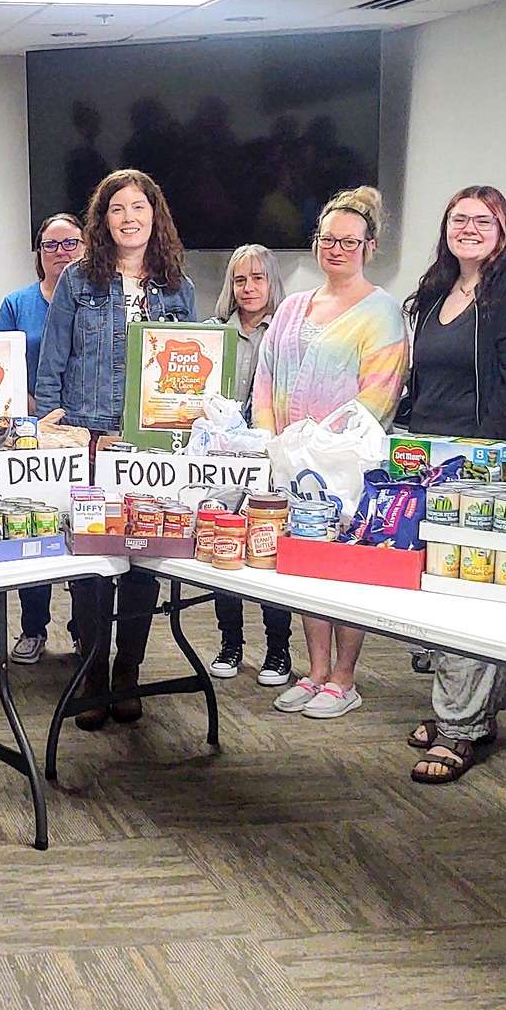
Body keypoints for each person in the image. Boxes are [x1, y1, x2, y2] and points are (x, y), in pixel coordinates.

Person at [397, 187, 506, 782]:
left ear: (503, 227)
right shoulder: (439, 288)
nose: (467, 227)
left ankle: (461, 727)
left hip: (481, 468)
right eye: (457, 218)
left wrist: (482, 459)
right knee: (439, 592)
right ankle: (465, 712)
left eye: (481, 219)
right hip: (424, 461)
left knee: (468, 597)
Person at [35, 169, 197, 731]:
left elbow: (185, 368)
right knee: (92, 559)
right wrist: (54, 428)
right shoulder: (79, 279)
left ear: (157, 216)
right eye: (117, 209)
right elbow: (52, 364)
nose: (130, 218)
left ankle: (128, 673)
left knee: (142, 559)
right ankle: (92, 675)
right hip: (89, 437)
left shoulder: (179, 285)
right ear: (102, 221)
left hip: (151, 443)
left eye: (139, 208)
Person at [254, 191, 409, 726]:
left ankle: (344, 677)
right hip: (289, 465)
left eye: (349, 241)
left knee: (343, 571)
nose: (336, 249)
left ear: (369, 246)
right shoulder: (293, 306)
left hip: (348, 467)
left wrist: (322, 445)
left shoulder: (383, 312)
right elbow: (265, 378)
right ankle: (314, 670)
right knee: (304, 570)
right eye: (328, 239)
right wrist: (272, 442)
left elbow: (379, 395)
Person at [0, 212, 81, 664]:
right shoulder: (17, 303)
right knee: (37, 527)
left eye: (71, 244)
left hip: (87, 436)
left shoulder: (96, 299)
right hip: (32, 432)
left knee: (84, 530)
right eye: (51, 245)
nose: (61, 254)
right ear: (38, 254)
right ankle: (32, 629)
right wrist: (32, 407)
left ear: (86, 248)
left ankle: (84, 629)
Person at [207, 244, 295, 688]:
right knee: (226, 547)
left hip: (270, 457)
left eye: (258, 278)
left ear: (272, 282)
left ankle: (278, 650)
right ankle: (230, 643)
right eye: (240, 279)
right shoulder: (212, 332)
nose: (248, 287)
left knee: (267, 552)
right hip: (223, 459)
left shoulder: (287, 330)